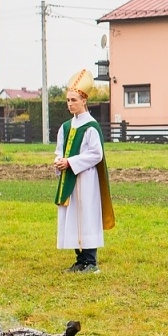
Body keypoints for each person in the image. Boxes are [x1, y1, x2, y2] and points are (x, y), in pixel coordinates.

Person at [53, 70, 114, 272]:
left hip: (86, 179)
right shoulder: (65, 126)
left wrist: (71, 162)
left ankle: (91, 261)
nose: (70, 104)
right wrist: (59, 161)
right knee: (72, 216)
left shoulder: (91, 126)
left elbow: (96, 154)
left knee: (86, 216)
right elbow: (59, 149)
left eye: (74, 100)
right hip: (69, 178)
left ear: (84, 100)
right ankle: (80, 260)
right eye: (68, 100)